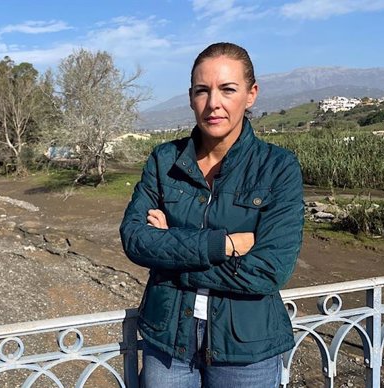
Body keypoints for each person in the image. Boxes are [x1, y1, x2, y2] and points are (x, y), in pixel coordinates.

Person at [119, 42, 304, 387]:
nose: (213, 103)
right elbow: (134, 239)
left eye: (228, 89)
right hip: (168, 340)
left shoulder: (278, 168)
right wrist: (225, 244)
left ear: (251, 95)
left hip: (247, 348)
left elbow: (269, 271)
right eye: (202, 91)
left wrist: (172, 260)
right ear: (191, 97)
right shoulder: (164, 161)